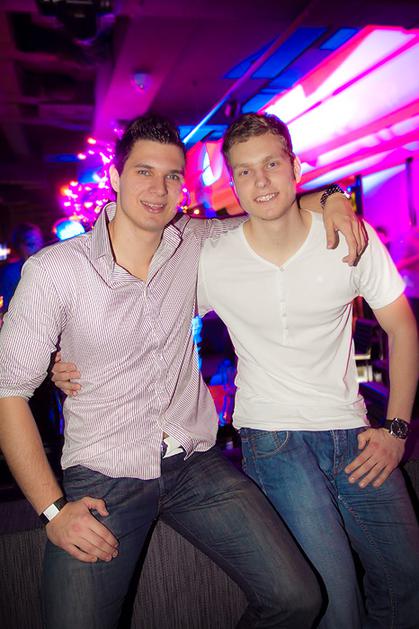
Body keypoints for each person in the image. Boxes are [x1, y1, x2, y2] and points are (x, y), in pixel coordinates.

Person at [0, 113, 365, 629]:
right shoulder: (55, 271)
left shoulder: (194, 242)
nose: (159, 188)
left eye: (172, 175)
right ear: (115, 177)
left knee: (298, 597)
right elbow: (8, 391)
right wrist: (52, 510)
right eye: (143, 172)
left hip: (195, 465)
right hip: (104, 475)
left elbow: (269, 207)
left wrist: (331, 198)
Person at [196, 113, 419, 628]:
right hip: (273, 438)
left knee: (407, 579)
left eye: (271, 164)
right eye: (245, 171)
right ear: (233, 184)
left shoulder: (348, 237)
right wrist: (68, 359)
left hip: (352, 430)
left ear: (296, 168)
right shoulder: (214, 260)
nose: (260, 181)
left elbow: (402, 328)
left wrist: (397, 429)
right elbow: (151, 315)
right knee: (335, 605)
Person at [0, 222, 44, 312]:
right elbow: (7, 309)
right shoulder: (9, 274)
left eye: (40, 243)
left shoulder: (49, 267)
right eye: (31, 244)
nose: (37, 249)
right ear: (19, 247)